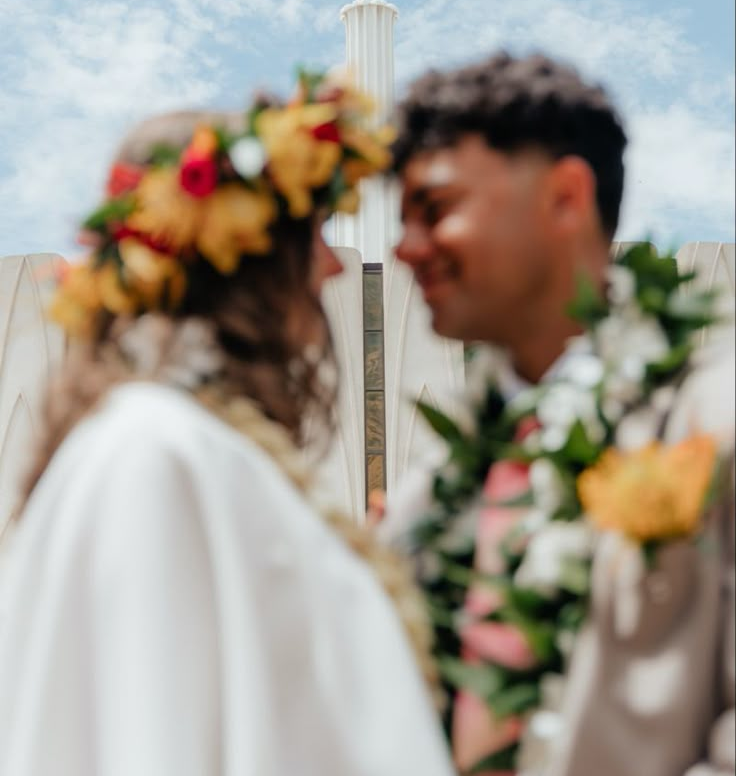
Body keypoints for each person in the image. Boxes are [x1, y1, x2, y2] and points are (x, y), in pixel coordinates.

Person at [0, 70, 455, 776]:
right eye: (312, 238)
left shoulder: (187, 446)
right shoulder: (153, 453)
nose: (334, 268)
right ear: (245, 259)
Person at [386, 51, 735, 776]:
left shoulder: (713, 421)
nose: (407, 247)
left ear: (566, 198)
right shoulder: (431, 492)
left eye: (438, 209)